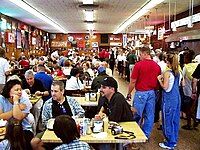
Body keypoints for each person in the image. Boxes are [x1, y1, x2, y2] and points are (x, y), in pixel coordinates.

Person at [127, 46, 161, 138]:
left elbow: (133, 81)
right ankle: (146, 135)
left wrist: (129, 92)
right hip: (152, 93)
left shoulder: (138, 65)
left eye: (140, 54)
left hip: (141, 93)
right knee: (149, 115)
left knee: (137, 114)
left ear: (145, 54)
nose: (139, 56)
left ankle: (136, 133)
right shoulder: (157, 66)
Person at [0, 79, 33, 149]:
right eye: (16, 90)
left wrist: (15, 102)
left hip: (23, 129)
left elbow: (18, 118)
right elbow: (1, 117)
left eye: (20, 89)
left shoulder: (25, 100)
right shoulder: (1, 99)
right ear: (9, 90)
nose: (19, 92)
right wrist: (17, 108)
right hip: (5, 129)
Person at [157, 52, 181, 149]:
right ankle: (174, 140)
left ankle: (169, 143)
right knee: (175, 120)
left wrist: (159, 80)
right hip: (177, 98)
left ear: (167, 61)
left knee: (167, 120)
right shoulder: (178, 72)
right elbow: (181, 84)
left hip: (169, 99)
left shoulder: (167, 73)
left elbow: (166, 88)